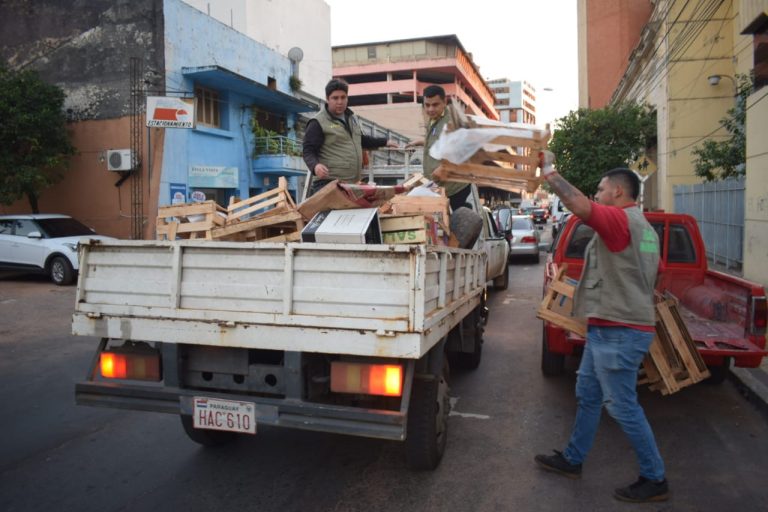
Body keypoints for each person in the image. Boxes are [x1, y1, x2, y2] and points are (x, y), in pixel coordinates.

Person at [534, 151, 669, 504]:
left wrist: (550, 172)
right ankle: (572, 459)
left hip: (619, 331)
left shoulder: (618, 220)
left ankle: (655, 478)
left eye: (602, 189)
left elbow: (579, 206)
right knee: (589, 394)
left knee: (621, 405)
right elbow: (655, 273)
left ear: (619, 194)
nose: (597, 194)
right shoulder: (646, 230)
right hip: (610, 327)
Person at [302, 78, 398, 197]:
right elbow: (308, 150)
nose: (340, 102)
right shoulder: (318, 122)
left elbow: (361, 140)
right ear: (327, 99)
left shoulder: (351, 118)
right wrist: (315, 166)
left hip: (352, 184)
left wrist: (385, 141)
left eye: (343, 97)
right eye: (335, 98)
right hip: (329, 184)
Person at [405, 85, 471, 211]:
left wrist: (444, 167)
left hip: (454, 188)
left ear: (444, 102)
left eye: (435, 105)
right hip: (440, 185)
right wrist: (422, 142)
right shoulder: (435, 119)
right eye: (427, 105)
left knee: (451, 226)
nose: (430, 109)